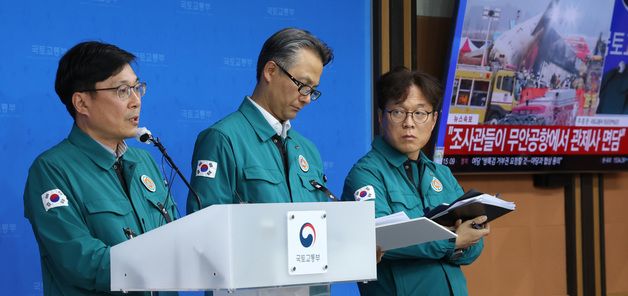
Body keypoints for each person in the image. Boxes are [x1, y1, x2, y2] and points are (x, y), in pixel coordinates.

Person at [23, 41, 178, 296]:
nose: (136, 101)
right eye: (122, 90)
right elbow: (81, 260)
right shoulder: (51, 170)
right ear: (82, 103)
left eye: (137, 88)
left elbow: (176, 236)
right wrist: (164, 264)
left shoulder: (145, 161)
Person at [342, 67, 490, 295]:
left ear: (433, 120)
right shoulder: (366, 175)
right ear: (381, 117)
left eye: (420, 113)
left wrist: (467, 238)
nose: (409, 123)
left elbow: (474, 246)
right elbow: (379, 237)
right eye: (398, 112)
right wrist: (452, 241)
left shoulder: (442, 174)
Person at [187, 28, 333, 212]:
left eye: (313, 90)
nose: (307, 99)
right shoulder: (223, 139)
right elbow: (206, 229)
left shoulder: (308, 150)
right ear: (271, 71)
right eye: (303, 85)